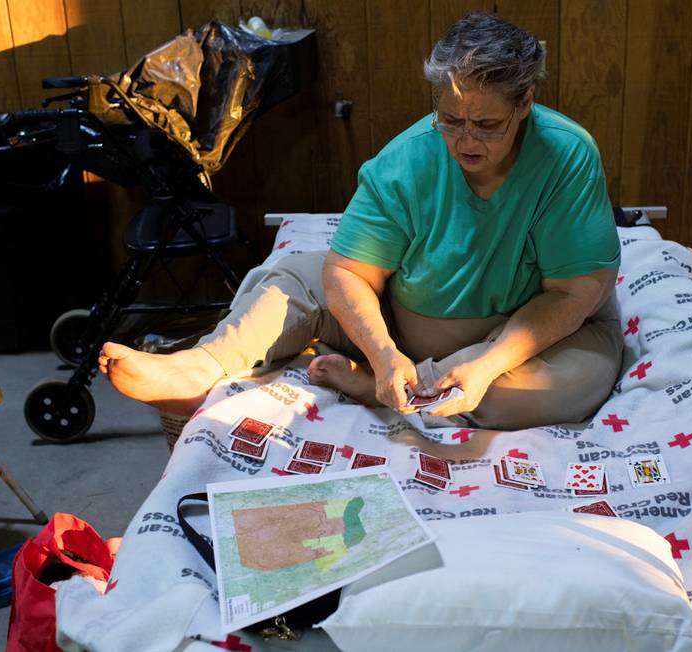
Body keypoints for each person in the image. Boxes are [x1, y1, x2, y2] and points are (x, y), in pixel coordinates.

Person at [98, 12, 623, 431]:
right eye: (451, 120)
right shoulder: (406, 160)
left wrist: (484, 366)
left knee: (562, 387)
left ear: (526, 102)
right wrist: (385, 351)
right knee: (290, 282)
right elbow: (349, 272)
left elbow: (575, 292)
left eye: (486, 125)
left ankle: (382, 385)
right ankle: (201, 366)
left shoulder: (566, 155)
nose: (466, 141)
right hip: (404, 326)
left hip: (525, 338)